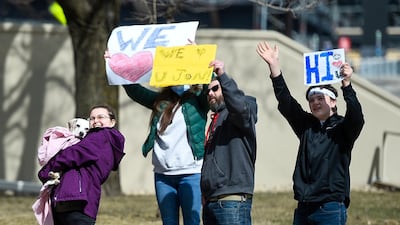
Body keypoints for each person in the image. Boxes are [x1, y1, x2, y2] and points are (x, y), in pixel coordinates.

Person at [256, 41, 365, 225]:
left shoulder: (343, 129)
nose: (315, 102)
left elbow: (356, 117)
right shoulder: (306, 126)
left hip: (329, 208)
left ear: (333, 102)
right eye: (311, 99)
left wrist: (346, 85)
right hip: (303, 208)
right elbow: (286, 102)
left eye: (320, 98)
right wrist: (274, 67)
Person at [123, 81, 209, 225]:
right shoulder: (160, 101)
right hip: (163, 177)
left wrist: (208, 71)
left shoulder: (198, 99)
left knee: (192, 221)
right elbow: (135, 91)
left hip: (191, 174)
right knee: (168, 222)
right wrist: (116, 66)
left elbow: (208, 89)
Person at [38, 105, 125, 225]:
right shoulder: (102, 139)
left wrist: (46, 170)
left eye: (101, 117)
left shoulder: (102, 135)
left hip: (76, 200)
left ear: (112, 122)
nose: (95, 121)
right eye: (92, 118)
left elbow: (74, 153)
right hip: (76, 200)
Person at [201, 59, 258, 225]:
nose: (210, 93)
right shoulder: (215, 120)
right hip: (212, 202)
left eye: (215, 88)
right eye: (208, 91)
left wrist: (222, 75)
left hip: (232, 203)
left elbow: (239, 107)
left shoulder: (243, 110)